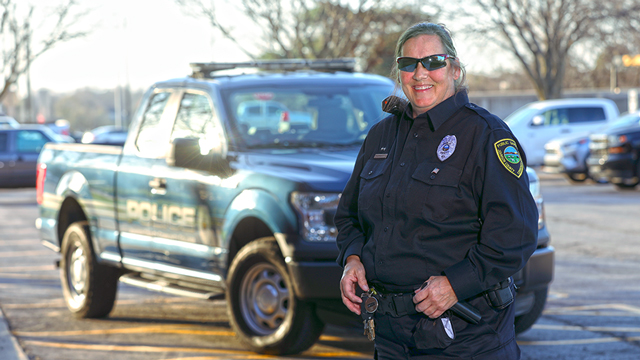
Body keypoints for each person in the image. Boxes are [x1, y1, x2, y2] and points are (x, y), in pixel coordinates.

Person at [335, 22, 538, 359]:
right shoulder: (381, 137)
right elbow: (349, 217)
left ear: (454, 69)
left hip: (466, 339)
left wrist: (457, 284)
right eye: (408, 64)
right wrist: (352, 258)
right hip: (390, 337)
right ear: (398, 73)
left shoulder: (485, 135)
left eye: (433, 61)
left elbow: (515, 234)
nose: (420, 73)